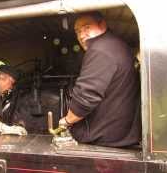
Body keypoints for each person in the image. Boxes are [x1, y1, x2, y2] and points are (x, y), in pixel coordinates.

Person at [58, 11, 141, 147]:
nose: (81, 35)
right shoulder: (118, 45)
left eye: (87, 28)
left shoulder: (99, 49)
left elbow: (86, 96)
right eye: (78, 31)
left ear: (102, 24)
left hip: (103, 138)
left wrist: (67, 121)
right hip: (122, 133)